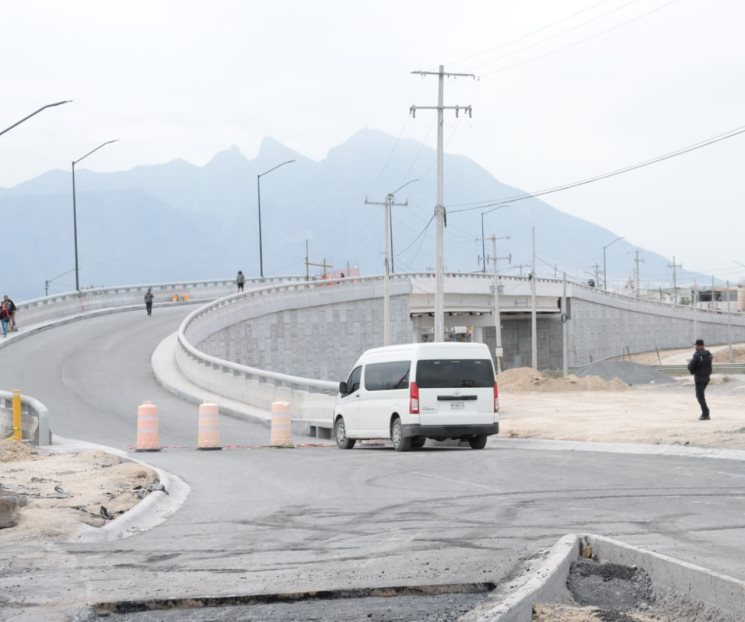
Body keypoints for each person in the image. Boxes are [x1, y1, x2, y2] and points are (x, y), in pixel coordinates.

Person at [688, 338, 713, 420]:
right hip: (707, 378)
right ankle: (705, 413)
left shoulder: (697, 355)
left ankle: (706, 414)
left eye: (696, 345)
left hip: (699, 378)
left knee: (699, 396)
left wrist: (691, 368)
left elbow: (691, 366)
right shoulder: (708, 353)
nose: (695, 347)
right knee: (700, 395)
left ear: (698, 346)